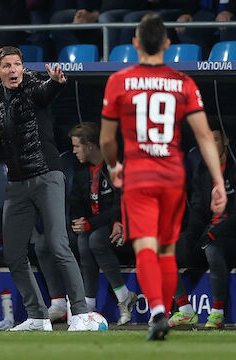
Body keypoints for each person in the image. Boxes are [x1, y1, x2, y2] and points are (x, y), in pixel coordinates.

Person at [100, 13, 227, 340]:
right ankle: (169, 312)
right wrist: (217, 182)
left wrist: (114, 167)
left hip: (139, 175)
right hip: (172, 174)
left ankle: (159, 310)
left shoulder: (119, 81)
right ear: (168, 45)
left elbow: (106, 140)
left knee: (145, 245)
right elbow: (202, 136)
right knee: (168, 249)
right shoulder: (183, 82)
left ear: (135, 44)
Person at [0, 46, 93, 331]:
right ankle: (38, 317)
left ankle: (81, 314)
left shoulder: (34, 84)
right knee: (13, 253)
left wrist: (56, 83)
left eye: (18, 64)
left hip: (47, 175)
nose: (14, 70)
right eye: (8, 66)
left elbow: (45, 92)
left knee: (58, 244)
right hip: (16, 183)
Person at [68, 122, 137, 325]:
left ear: (90, 145)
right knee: (83, 241)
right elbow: (74, 201)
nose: (73, 151)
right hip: (96, 226)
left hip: (123, 225)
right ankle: (89, 305)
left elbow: (121, 205)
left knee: (96, 239)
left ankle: (124, 297)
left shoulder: (114, 167)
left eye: (76, 146)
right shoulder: (82, 173)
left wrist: (92, 223)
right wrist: (80, 220)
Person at [168, 128, 234, 329]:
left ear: (225, 141)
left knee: (213, 249)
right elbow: (198, 210)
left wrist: (215, 233)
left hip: (230, 235)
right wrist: (189, 236)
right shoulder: (204, 171)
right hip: (208, 234)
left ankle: (217, 313)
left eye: (215, 139)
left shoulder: (234, 167)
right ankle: (185, 309)